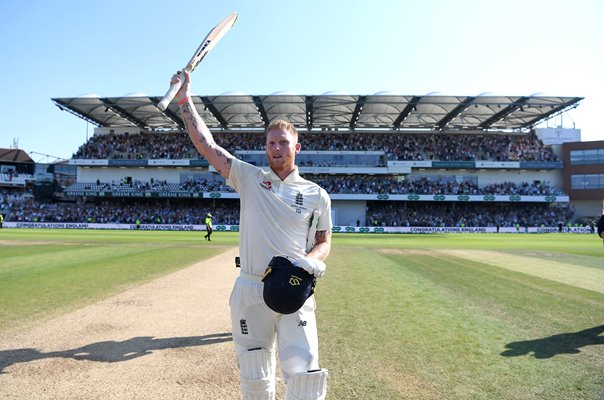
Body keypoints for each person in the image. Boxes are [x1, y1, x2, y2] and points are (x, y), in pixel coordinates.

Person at [170, 70, 332, 400]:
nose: (276, 148)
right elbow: (206, 145)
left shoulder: (317, 194)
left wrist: (308, 263)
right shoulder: (249, 177)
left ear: (296, 147)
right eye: (271, 143)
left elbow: (324, 241)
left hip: (293, 287)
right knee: (255, 377)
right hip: (250, 288)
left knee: (304, 376)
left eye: (283, 143)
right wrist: (185, 101)